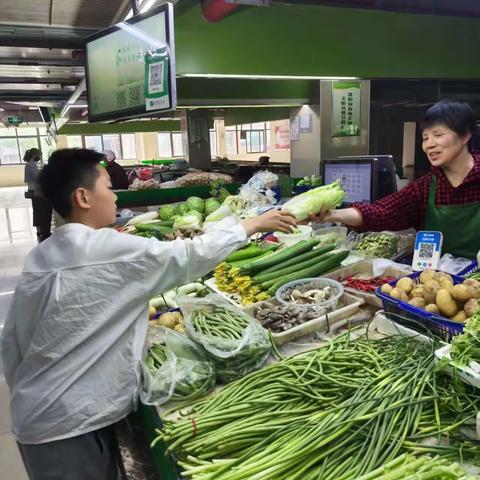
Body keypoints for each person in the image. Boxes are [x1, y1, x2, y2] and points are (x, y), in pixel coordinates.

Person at [1, 148, 297, 480]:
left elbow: (11, 344)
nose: (115, 194)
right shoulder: (105, 250)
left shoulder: (44, 256)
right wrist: (251, 225)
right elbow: (187, 255)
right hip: (67, 426)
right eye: (107, 186)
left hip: (45, 414)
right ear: (83, 197)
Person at [318, 100, 480, 259]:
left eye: (438, 135)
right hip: (437, 279)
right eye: (425, 138)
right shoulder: (424, 188)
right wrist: (331, 214)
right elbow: (380, 213)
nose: (429, 145)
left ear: (465, 135)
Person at [23, 148, 52, 242]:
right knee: (42, 212)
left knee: (38, 211)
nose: (39, 157)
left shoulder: (30, 165)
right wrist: (44, 172)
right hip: (36, 192)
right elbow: (37, 177)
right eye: (39, 155)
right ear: (34, 155)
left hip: (34, 191)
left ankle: (41, 231)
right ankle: (44, 232)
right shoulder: (30, 165)